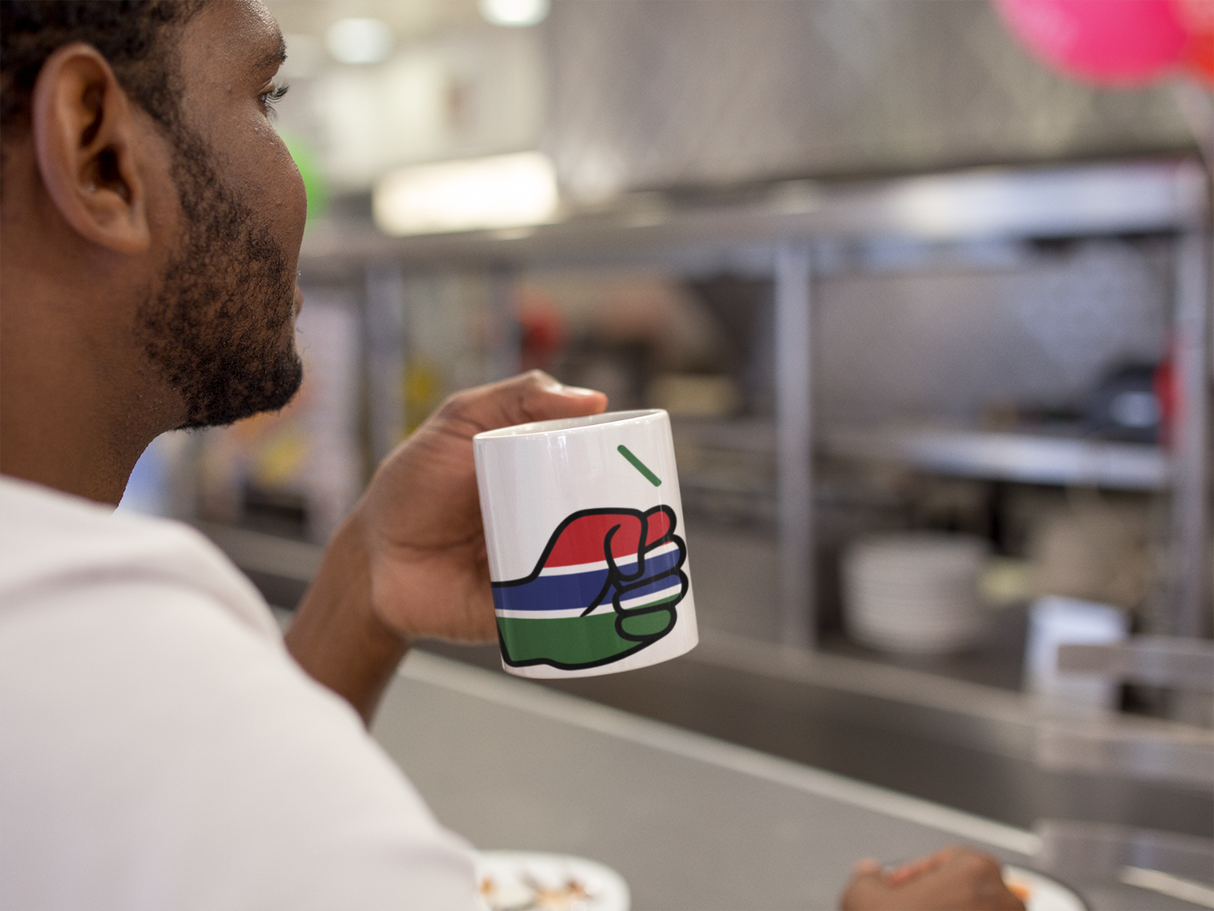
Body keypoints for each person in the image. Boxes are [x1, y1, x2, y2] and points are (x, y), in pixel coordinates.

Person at [0, 1, 1025, 908]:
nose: (292, 170)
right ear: (98, 152)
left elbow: (214, 839)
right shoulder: (114, 649)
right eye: (266, 96)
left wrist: (364, 580)